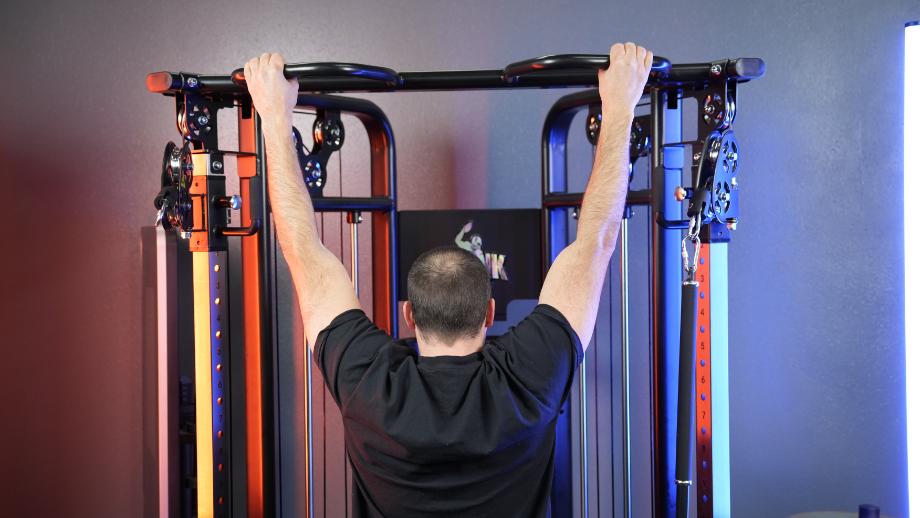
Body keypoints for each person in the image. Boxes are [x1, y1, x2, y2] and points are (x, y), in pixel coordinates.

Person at [243, 42, 653, 517]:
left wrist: (274, 118)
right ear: (490, 312)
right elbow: (597, 240)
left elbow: (300, 247)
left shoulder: (370, 383)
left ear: (408, 314)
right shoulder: (527, 377)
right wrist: (621, 104)